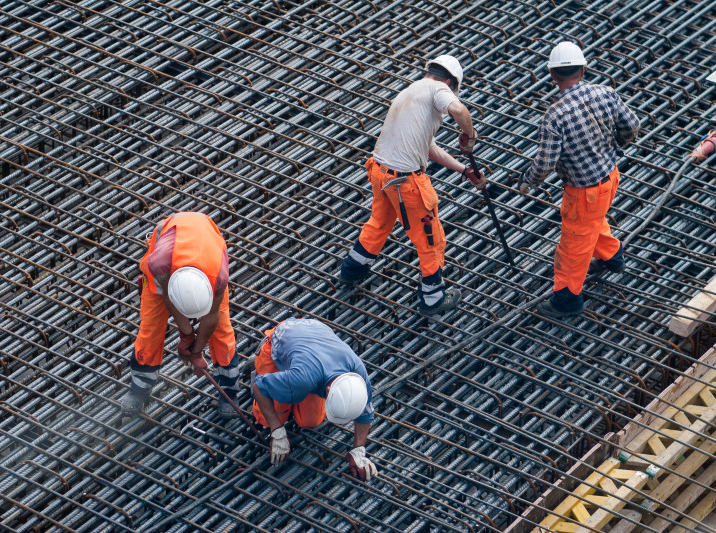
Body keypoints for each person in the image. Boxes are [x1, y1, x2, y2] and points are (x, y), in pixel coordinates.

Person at [339, 54, 486, 317]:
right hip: (405, 181)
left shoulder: (410, 91)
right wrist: (470, 136)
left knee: (380, 223)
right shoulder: (438, 88)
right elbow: (459, 110)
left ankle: (352, 270)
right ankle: (433, 297)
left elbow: (427, 148)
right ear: (450, 82)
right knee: (431, 239)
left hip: (381, 172)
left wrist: (463, 169)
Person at [518, 42, 640, 318]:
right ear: (583, 69)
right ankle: (612, 255)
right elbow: (632, 125)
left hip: (584, 191)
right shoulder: (604, 93)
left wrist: (528, 180)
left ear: (552, 75)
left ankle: (567, 299)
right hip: (611, 177)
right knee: (592, 221)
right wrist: (619, 142)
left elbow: (547, 162)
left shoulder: (554, 115)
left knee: (572, 246)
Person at [121, 211, 240, 419]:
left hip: (204, 249)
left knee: (221, 330)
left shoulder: (218, 276)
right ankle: (138, 389)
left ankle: (229, 390)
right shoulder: (159, 265)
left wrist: (196, 351)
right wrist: (186, 334)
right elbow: (168, 297)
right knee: (150, 328)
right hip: (168, 260)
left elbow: (211, 317)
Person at [251, 318, 377, 481]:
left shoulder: (358, 376)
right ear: (328, 390)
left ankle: (286, 387)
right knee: (268, 417)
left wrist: (358, 450)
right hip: (285, 334)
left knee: (310, 420)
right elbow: (258, 388)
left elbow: (365, 414)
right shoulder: (303, 378)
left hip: (316, 337)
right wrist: (277, 431)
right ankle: (262, 364)